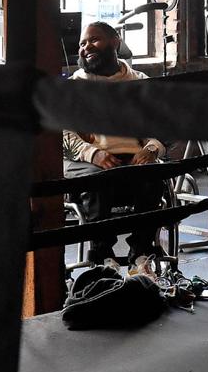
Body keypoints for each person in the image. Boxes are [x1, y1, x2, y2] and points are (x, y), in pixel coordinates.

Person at [63, 22, 168, 266]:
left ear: (115, 42)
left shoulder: (139, 81)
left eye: (94, 40)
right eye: (82, 43)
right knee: (97, 181)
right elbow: (61, 135)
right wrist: (93, 154)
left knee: (153, 178)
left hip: (133, 161)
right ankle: (103, 258)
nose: (86, 46)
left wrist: (151, 148)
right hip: (89, 162)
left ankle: (141, 255)